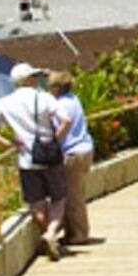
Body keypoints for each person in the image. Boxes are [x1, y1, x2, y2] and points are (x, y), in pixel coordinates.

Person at [0, 64, 66, 259]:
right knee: (58, 197)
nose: (36, 79)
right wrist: (55, 139)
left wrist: (9, 144)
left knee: (37, 202)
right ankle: (51, 233)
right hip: (50, 155)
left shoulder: (5, 102)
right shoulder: (44, 97)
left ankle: (47, 234)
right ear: (28, 79)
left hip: (26, 158)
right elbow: (66, 120)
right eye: (34, 76)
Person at [48, 71, 97, 246]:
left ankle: (79, 234)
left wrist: (51, 142)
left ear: (56, 87)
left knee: (72, 195)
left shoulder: (60, 105)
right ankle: (71, 232)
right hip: (85, 149)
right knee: (74, 193)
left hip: (72, 153)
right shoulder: (73, 99)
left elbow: (60, 127)